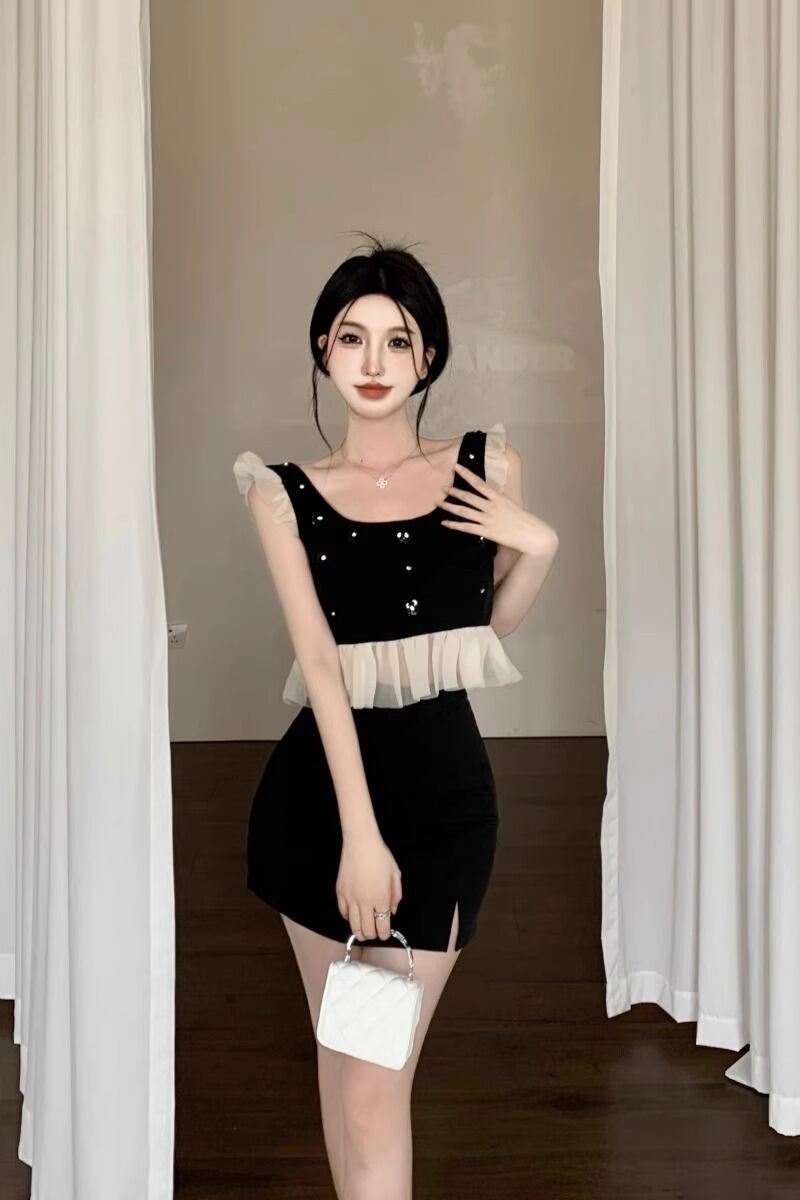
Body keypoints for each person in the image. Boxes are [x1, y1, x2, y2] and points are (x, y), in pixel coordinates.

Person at [233, 234, 559, 1200]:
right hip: (320, 810)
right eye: (352, 338)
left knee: (372, 1083)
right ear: (323, 350)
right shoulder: (283, 493)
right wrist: (359, 836)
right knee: (351, 1071)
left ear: (429, 358)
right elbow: (320, 665)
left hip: (442, 802)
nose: (373, 362)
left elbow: (485, 630)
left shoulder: (484, 465)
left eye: (398, 340)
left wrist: (539, 547)